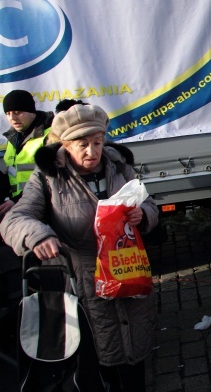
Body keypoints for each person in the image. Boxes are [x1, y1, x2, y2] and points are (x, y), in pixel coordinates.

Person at [0, 104, 159, 392]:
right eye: (82, 145)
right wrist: (39, 236)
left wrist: (144, 214)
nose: (92, 151)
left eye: (97, 142)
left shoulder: (119, 164)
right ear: (65, 145)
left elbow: (147, 201)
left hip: (128, 268)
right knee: (99, 351)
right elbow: (15, 218)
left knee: (135, 348)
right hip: (84, 279)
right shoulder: (49, 177)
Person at [0, 89, 54, 217]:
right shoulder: (13, 138)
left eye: (17, 112)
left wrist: (17, 199)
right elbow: (10, 173)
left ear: (31, 110)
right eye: (8, 113)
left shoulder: (51, 135)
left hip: (45, 207)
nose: (12, 118)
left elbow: (50, 179)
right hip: (20, 207)